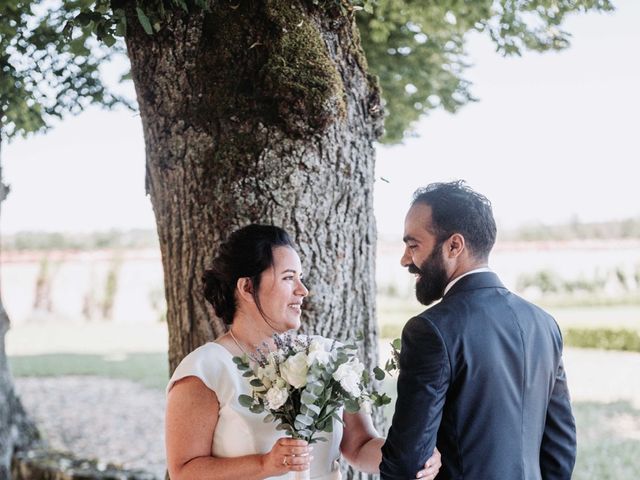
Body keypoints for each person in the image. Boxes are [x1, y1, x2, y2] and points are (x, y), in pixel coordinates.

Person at [165, 224, 441, 480]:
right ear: (247, 287)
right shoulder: (205, 370)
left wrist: (414, 455)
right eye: (288, 278)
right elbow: (184, 471)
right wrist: (264, 464)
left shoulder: (326, 356)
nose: (303, 290)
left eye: (301, 278)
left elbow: (360, 445)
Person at [379, 180, 577, 479]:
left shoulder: (431, 330)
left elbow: (409, 461)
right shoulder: (543, 323)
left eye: (413, 245)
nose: (406, 260)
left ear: (454, 245)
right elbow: (560, 450)